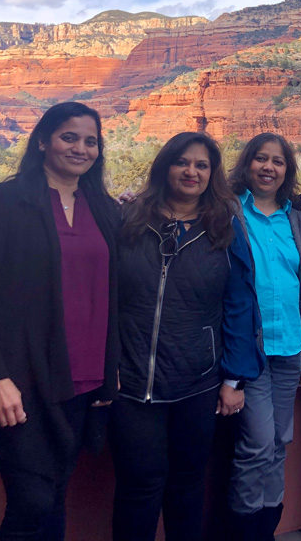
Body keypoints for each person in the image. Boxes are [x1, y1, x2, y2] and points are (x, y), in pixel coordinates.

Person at [0, 101, 121, 541]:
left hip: (83, 383)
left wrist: (110, 372)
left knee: (55, 495)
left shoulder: (104, 209)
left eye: (91, 141)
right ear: (43, 140)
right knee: (31, 501)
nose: (81, 149)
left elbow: (120, 292)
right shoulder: (5, 202)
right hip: (22, 381)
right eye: (70, 137)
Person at [111, 131, 264, 541]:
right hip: (133, 382)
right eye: (183, 161)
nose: (191, 171)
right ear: (166, 165)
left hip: (198, 382)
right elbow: (103, 295)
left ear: (212, 174)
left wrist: (234, 379)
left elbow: (239, 304)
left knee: (187, 486)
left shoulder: (224, 229)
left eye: (201, 165)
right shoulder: (128, 220)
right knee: (138, 486)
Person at [225, 133, 301, 541]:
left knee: (280, 442)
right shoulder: (228, 211)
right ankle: (244, 530)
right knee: (257, 444)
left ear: (287, 170)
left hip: (291, 347)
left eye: (277, 161)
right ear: (246, 165)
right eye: (260, 159)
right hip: (250, 348)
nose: (268, 167)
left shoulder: (295, 217)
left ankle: (266, 528)